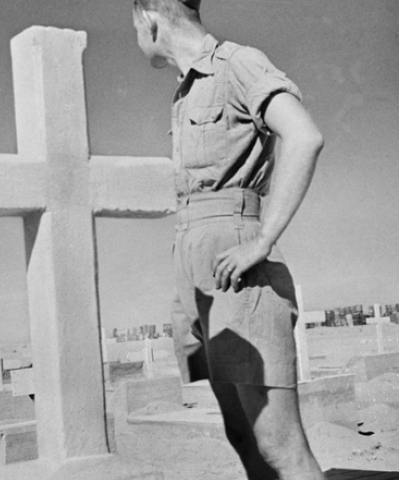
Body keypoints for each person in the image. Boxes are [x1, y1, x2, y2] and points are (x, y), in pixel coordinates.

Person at [131, 1, 325, 479]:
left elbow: (304, 137)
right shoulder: (184, 91)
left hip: (235, 261)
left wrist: (262, 241)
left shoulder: (238, 63)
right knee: (243, 439)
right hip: (195, 266)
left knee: (278, 444)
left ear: (150, 17)